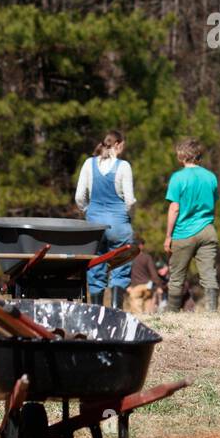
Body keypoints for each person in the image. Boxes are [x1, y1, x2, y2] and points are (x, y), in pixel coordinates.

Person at [76, 129, 135, 308]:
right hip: (119, 225)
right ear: (117, 145)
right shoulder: (123, 166)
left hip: (94, 225)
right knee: (120, 266)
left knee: (95, 267)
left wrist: (89, 212)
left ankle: (97, 312)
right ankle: (116, 311)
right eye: (122, 146)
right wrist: (125, 217)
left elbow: (79, 197)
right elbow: (130, 200)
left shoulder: (88, 164)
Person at [164, 138, 219, 313]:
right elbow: (212, 203)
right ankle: (212, 312)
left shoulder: (177, 178)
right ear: (198, 156)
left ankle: (172, 313)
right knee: (209, 275)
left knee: (177, 277)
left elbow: (174, 208)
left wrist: (168, 236)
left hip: (183, 233)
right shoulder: (210, 177)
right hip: (208, 230)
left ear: (181, 156)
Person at [127, 239, 163, 315]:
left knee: (137, 314)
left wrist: (127, 286)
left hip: (136, 288)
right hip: (148, 286)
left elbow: (126, 273)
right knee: (148, 313)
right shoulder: (147, 257)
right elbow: (154, 274)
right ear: (141, 246)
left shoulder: (130, 258)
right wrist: (158, 286)